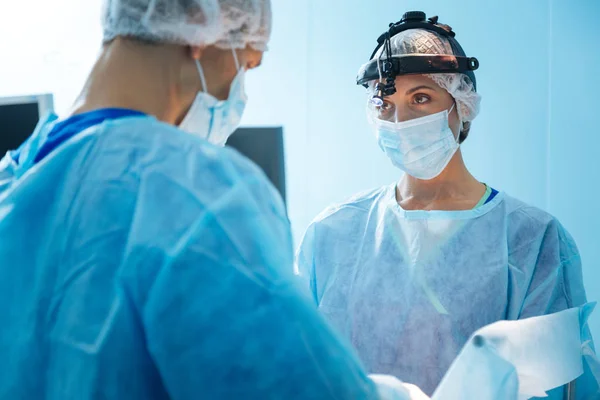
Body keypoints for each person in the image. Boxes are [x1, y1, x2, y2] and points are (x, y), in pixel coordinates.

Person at [0, 1, 416, 399]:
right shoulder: (195, 190)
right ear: (200, 23)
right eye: (247, 65)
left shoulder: (12, 183)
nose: (239, 92)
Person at [295, 11, 599, 398]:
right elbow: (298, 372)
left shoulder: (532, 240)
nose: (400, 119)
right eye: (384, 103)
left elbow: (560, 386)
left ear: (462, 105)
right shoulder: (333, 234)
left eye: (420, 98)